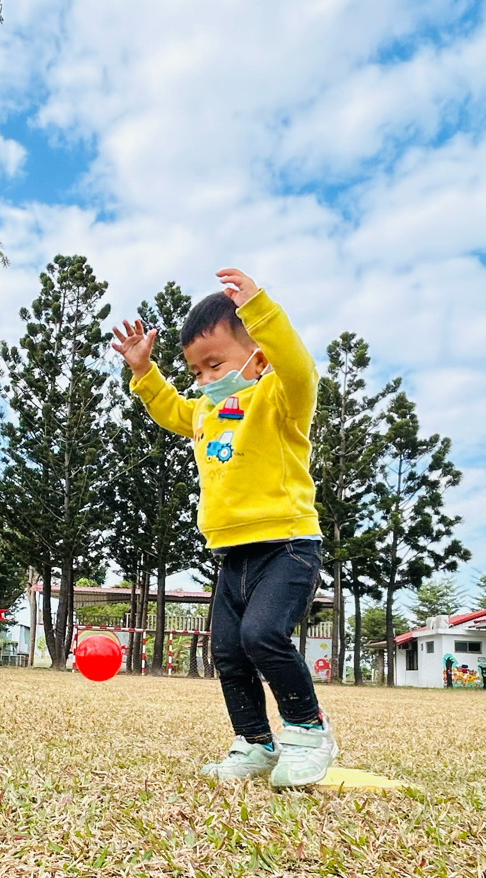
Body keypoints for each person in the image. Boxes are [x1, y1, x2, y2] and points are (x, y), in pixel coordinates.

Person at [112, 268, 335, 788]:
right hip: (232, 555)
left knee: (263, 635)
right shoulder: (206, 413)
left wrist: (260, 311)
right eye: (196, 371)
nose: (205, 379)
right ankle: (255, 742)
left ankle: (308, 731)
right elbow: (171, 409)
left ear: (258, 357)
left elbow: (299, 368)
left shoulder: (279, 397)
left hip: (287, 546)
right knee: (229, 651)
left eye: (215, 364)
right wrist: (144, 371)